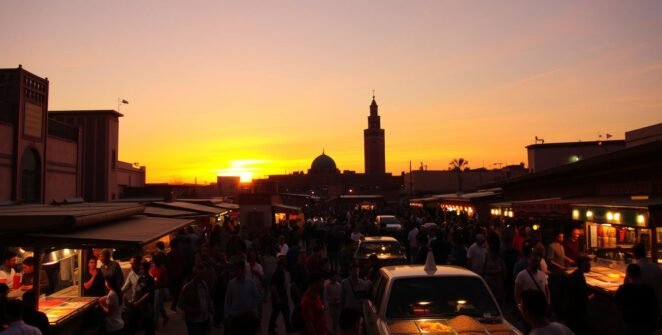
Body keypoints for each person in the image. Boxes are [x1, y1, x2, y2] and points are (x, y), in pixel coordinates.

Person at [615, 264, 660, 335]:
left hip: (629, 322)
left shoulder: (623, 289)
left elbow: (617, 304)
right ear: (640, 274)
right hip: (646, 323)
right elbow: (655, 307)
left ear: (628, 275)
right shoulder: (648, 289)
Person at [224, 261, 261, 332]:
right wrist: (227, 315)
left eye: (239, 270)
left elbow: (257, 297)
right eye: (236, 270)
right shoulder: (231, 284)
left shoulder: (250, 283)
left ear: (243, 270)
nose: (237, 272)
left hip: (248, 317)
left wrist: (252, 308)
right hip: (235, 316)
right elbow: (227, 301)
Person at [179, 265, 213, 335]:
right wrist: (192, 311)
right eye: (201, 274)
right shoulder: (187, 287)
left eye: (203, 274)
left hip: (204, 319)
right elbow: (181, 304)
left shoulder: (204, 284)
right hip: (193, 320)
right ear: (195, 275)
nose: (203, 276)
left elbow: (207, 299)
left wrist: (209, 308)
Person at [563, 256, 593, 334]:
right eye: (588, 264)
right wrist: (591, 296)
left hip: (570, 311)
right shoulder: (579, 277)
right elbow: (582, 297)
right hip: (577, 313)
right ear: (583, 265)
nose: (590, 266)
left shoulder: (575, 274)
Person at [126, 260, 154, 335]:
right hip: (137, 305)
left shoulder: (150, 279)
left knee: (148, 327)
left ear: (147, 269)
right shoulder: (140, 278)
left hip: (146, 306)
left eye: (143, 269)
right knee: (131, 323)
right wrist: (133, 300)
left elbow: (148, 294)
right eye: (141, 268)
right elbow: (137, 290)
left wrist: (138, 302)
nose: (141, 270)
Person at [268, 255, 293, 334]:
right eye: (285, 261)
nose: (287, 262)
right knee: (282, 312)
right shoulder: (278, 273)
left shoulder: (281, 271)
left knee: (282, 312)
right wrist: (278, 298)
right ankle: (272, 328)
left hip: (282, 295)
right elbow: (273, 287)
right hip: (279, 296)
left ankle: (272, 328)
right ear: (282, 263)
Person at [150, 255, 170, 328]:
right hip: (153, 289)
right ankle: (165, 317)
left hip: (159, 289)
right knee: (159, 305)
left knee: (156, 307)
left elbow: (166, 281)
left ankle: (155, 324)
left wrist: (158, 282)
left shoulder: (162, 270)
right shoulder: (152, 269)